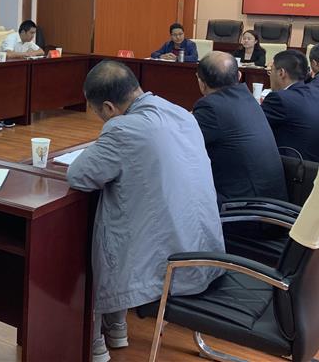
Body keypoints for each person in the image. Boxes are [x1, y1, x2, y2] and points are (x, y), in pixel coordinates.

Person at [66, 60, 224, 362]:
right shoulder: (180, 112)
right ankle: (117, 327)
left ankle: (93, 341)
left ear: (109, 107)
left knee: (104, 225)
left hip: (173, 266)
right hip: (205, 251)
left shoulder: (124, 128)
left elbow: (79, 176)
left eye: (100, 114)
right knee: (128, 205)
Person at [193, 52, 287, 206]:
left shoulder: (210, 107)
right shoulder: (248, 98)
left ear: (201, 83)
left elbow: (182, 143)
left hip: (246, 208)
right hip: (273, 202)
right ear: (239, 76)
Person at [261, 49, 319, 162]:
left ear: (281, 73)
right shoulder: (313, 93)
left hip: (292, 166)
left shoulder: (280, 99)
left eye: (271, 70)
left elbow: (250, 126)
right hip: (312, 165)